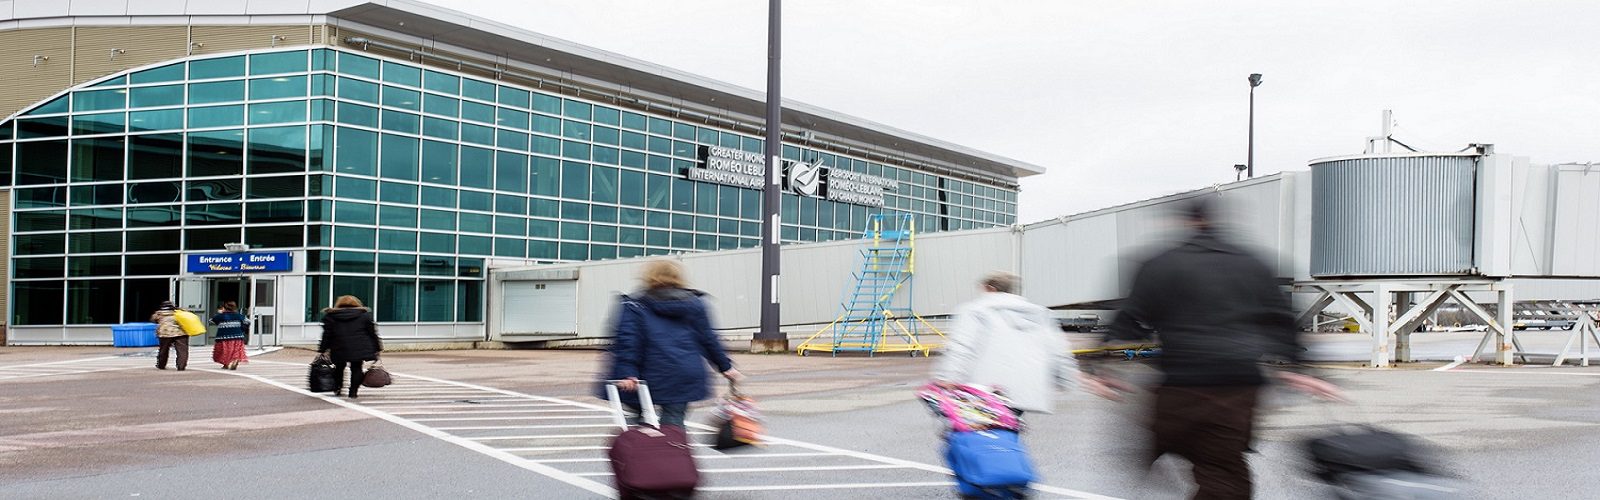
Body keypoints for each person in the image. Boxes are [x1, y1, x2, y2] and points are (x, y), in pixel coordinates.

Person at [1102, 195, 1341, 500]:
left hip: (1179, 386)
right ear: (1217, 221)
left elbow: (1130, 317)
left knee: (1160, 442)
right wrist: (1300, 369)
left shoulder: (1160, 263)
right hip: (1236, 388)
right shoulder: (1252, 263)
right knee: (1224, 470)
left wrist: (1105, 367)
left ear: (1186, 222)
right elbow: (1281, 319)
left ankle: (1158, 451)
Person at [932, 271, 1119, 415]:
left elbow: (961, 347)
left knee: (976, 445)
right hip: (1021, 394)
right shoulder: (1039, 313)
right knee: (1004, 439)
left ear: (990, 288)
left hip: (983, 392)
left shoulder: (975, 310)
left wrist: (948, 378)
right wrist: (1068, 381)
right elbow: (1058, 353)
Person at [603, 259, 742, 427]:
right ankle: (671, 447)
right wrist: (725, 367)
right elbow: (708, 339)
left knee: (640, 415)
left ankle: (643, 442)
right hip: (682, 374)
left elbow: (628, 340)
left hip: (646, 374)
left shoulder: (634, 305)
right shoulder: (694, 304)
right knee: (674, 420)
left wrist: (627, 372)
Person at [318, 295, 382, 398]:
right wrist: (377, 348)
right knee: (356, 368)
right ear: (357, 303)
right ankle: (353, 392)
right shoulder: (364, 316)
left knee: (338, 368)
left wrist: (322, 349)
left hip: (338, 346)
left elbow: (327, 334)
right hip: (359, 347)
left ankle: (338, 388)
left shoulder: (331, 316)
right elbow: (372, 333)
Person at [210, 301, 250, 370]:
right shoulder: (238, 315)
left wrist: (220, 314)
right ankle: (235, 359)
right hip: (237, 336)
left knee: (224, 351)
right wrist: (242, 328)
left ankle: (226, 364)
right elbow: (248, 322)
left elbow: (211, 320)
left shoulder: (221, 316)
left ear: (225, 308)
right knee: (235, 350)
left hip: (223, 337)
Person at [150, 300, 188, 371]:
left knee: (163, 350)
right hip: (180, 333)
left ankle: (161, 365)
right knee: (182, 350)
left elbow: (153, 320)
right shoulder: (179, 312)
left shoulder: (159, 314)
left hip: (165, 333)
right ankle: (181, 366)